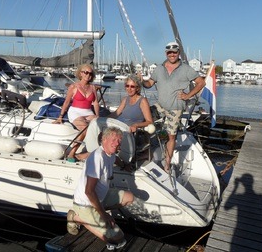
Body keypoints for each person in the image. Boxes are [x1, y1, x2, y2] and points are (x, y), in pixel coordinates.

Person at [139, 41, 206, 173]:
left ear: (178, 53)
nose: (172, 55)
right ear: (166, 53)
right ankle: (146, 152)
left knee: (171, 136)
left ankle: (167, 163)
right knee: (144, 122)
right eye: (169, 52)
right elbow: (149, 84)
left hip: (175, 108)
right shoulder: (159, 68)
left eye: (174, 52)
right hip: (160, 106)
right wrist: (141, 81)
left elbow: (201, 82)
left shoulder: (186, 69)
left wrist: (188, 96)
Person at [67, 126, 133, 250]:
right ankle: (76, 216)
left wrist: (124, 165)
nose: (117, 143)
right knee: (117, 237)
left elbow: (115, 159)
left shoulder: (109, 153)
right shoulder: (97, 158)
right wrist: (103, 214)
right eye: (113, 140)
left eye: (119, 141)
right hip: (85, 203)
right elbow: (89, 191)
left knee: (129, 197)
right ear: (104, 140)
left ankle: (95, 214)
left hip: (100, 198)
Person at [53, 64, 100, 160]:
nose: (88, 75)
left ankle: (97, 150)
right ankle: (72, 152)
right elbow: (66, 102)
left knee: (100, 126)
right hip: (75, 112)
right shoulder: (73, 86)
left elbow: (95, 103)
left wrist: (97, 115)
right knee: (85, 129)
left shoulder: (93, 88)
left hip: (88, 112)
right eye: (86, 72)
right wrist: (60, 116)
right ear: (80, 73)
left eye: (90, 73)